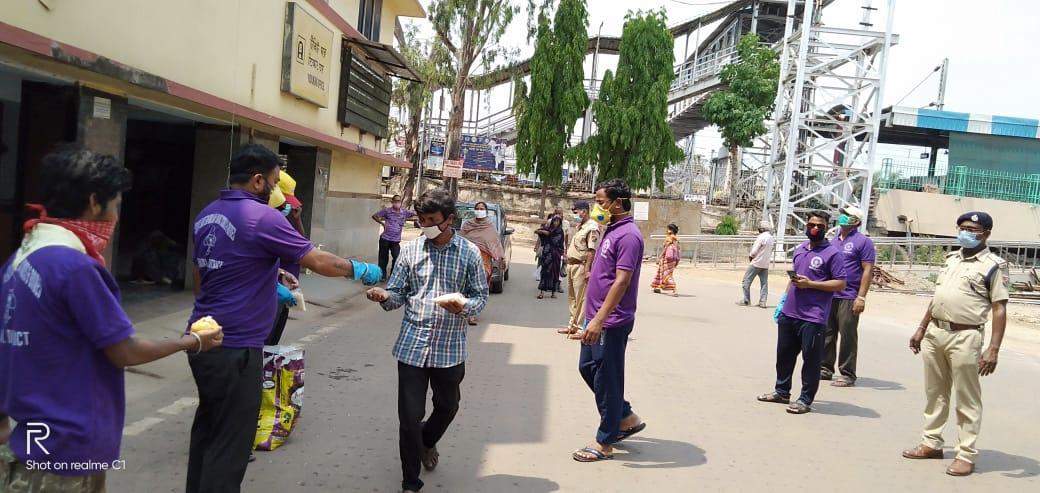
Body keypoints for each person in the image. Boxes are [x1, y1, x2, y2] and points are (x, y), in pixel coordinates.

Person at [0, 147, 223, 492]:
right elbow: (125, 351)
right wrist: (192, 341)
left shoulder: (20, 259)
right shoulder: (75, 268)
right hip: (66, 444)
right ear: (94, 202)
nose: (116, 216)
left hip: (29, 438)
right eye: (116, 205)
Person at [186, 144, 382, 493]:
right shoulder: (262, 217)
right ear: (259, 180)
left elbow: (206, 276)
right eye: (275, 182)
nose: (277, 190)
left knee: (207, 429)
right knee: (232, 444)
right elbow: (317, 261)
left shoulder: (207, 213)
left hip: (202, 338)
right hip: (237, 345)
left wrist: (271, 277)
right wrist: (359, 269)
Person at [364, 189, 489, 493]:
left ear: (449, 219)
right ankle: (410, 482)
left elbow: (480, 297)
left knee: (448, 406)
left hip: (450, 347)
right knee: (408, 418)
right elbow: (397, 294)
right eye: (421, 220)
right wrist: (384, 296)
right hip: (412, 346)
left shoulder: (469, 253)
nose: (427, 226)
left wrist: (464, 306)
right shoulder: (409, 251)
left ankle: (427, 441)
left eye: (433, 220)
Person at [902, 211, 1008, 477]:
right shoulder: (951, 259)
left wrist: (993, 349)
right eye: (962, 227)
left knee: (967, 398)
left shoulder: (994, 265)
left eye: (973, 229)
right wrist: (921, 327)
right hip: (936, 332)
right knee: (935, 392)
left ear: (986, 234)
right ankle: (931, 442)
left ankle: (966, 454)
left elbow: (999, 308)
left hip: (966, 336)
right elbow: (937, 298)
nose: (966, 232)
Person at [572, 179, 646, 463]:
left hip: (610, 321)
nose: (597, 207)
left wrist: (599, 320)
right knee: (588, 368)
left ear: (618, 203)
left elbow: (623, 281)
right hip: (595, 317)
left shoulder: (629, 235)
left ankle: (605, 440)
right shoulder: (610, 229)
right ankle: (625, 415)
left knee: (607, 378)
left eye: (601, 201)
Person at [757, 211, 846, 415]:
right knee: (784, 356)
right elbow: (794, 278)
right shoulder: (800, 249)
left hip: (813, 317)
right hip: (790, 313)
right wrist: (783, 300)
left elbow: (841, 283)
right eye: (811, 224)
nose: (814, 229)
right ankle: (782, 391)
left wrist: (811, 284)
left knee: (811, 360)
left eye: (820, 226)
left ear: (826, 228)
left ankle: (805, 399)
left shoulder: (833, 254)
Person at [821, 205, 876, 387]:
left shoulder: (863, 242)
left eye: (847, 215)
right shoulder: (833, 241)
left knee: (847, 334)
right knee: (827, 333)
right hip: (831, 293)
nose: (842, 217)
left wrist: (861, 297)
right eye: (842, 214)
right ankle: (825, 367)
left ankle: (847, 373)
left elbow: (868, 270)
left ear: (856, 221)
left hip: (850, 295)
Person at [558, 201, 600, 340]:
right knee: (572, 298)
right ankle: (572, 325)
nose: (574, 215)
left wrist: (587, 269)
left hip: (581, 266)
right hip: (572, 265)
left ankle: (582, 328)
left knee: (581, 298)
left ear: (584, 211)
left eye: (576, 212)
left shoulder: (592, 228)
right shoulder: (579, 226)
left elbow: (591, 250)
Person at [459, 201, 503, 326]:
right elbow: (460, 241)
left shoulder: (490, 227)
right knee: (465, 287)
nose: (479, 210)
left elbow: (496, 243)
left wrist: (501, 258)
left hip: (483, 262)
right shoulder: (468, 224)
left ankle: (472, 314)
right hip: (467, 260)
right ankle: (463, 310)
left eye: (481, 208)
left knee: (477, 288)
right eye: (477, 208)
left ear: (486, 211)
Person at [373, 194, 417, 282]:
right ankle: (382, 275)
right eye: (395, 201)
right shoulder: (387, 211)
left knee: (397, 258)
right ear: (392, 202)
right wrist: (382, 223)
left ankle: (392, 275)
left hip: (395, 241)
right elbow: (375, 216)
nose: (397, 203)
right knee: (383, 258)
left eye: (399, 201)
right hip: (385, 239)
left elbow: (415, 214)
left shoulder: (404, 212)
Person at [739, 221, 775, 308]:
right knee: (764, 284)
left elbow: (754, 251)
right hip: (765, 264)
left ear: (762, 229)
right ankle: (763, 302)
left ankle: (746, 300)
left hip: (756, 263)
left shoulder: (761, 237)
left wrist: (751, 256)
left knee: (746, 281)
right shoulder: (771, 238)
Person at [535, 216, 566, 299]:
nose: (556, 223)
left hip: (556, 255)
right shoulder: (548, 228)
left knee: (554, 273)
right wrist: (542, 231)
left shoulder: (560, 231)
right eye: (554, 221)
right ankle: (541, 292)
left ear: (560, 223)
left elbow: (557, 241)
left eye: (557, 221)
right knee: (544, 272)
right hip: (547, 253)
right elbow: (538, 231)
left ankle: (553, 292)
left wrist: (547, 233)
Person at [651, 224, 681, 297]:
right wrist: (677, 259)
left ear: (671, 230)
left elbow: (665, 248)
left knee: (667, 274)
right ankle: (657, 287)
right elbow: (678, 249)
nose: (667, 231)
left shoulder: (669, 238)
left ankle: (674, 289)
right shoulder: (676, 239)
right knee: (662, 272)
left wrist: (660, 256)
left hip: (667, 258)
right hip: (673, 259)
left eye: (668, 229)